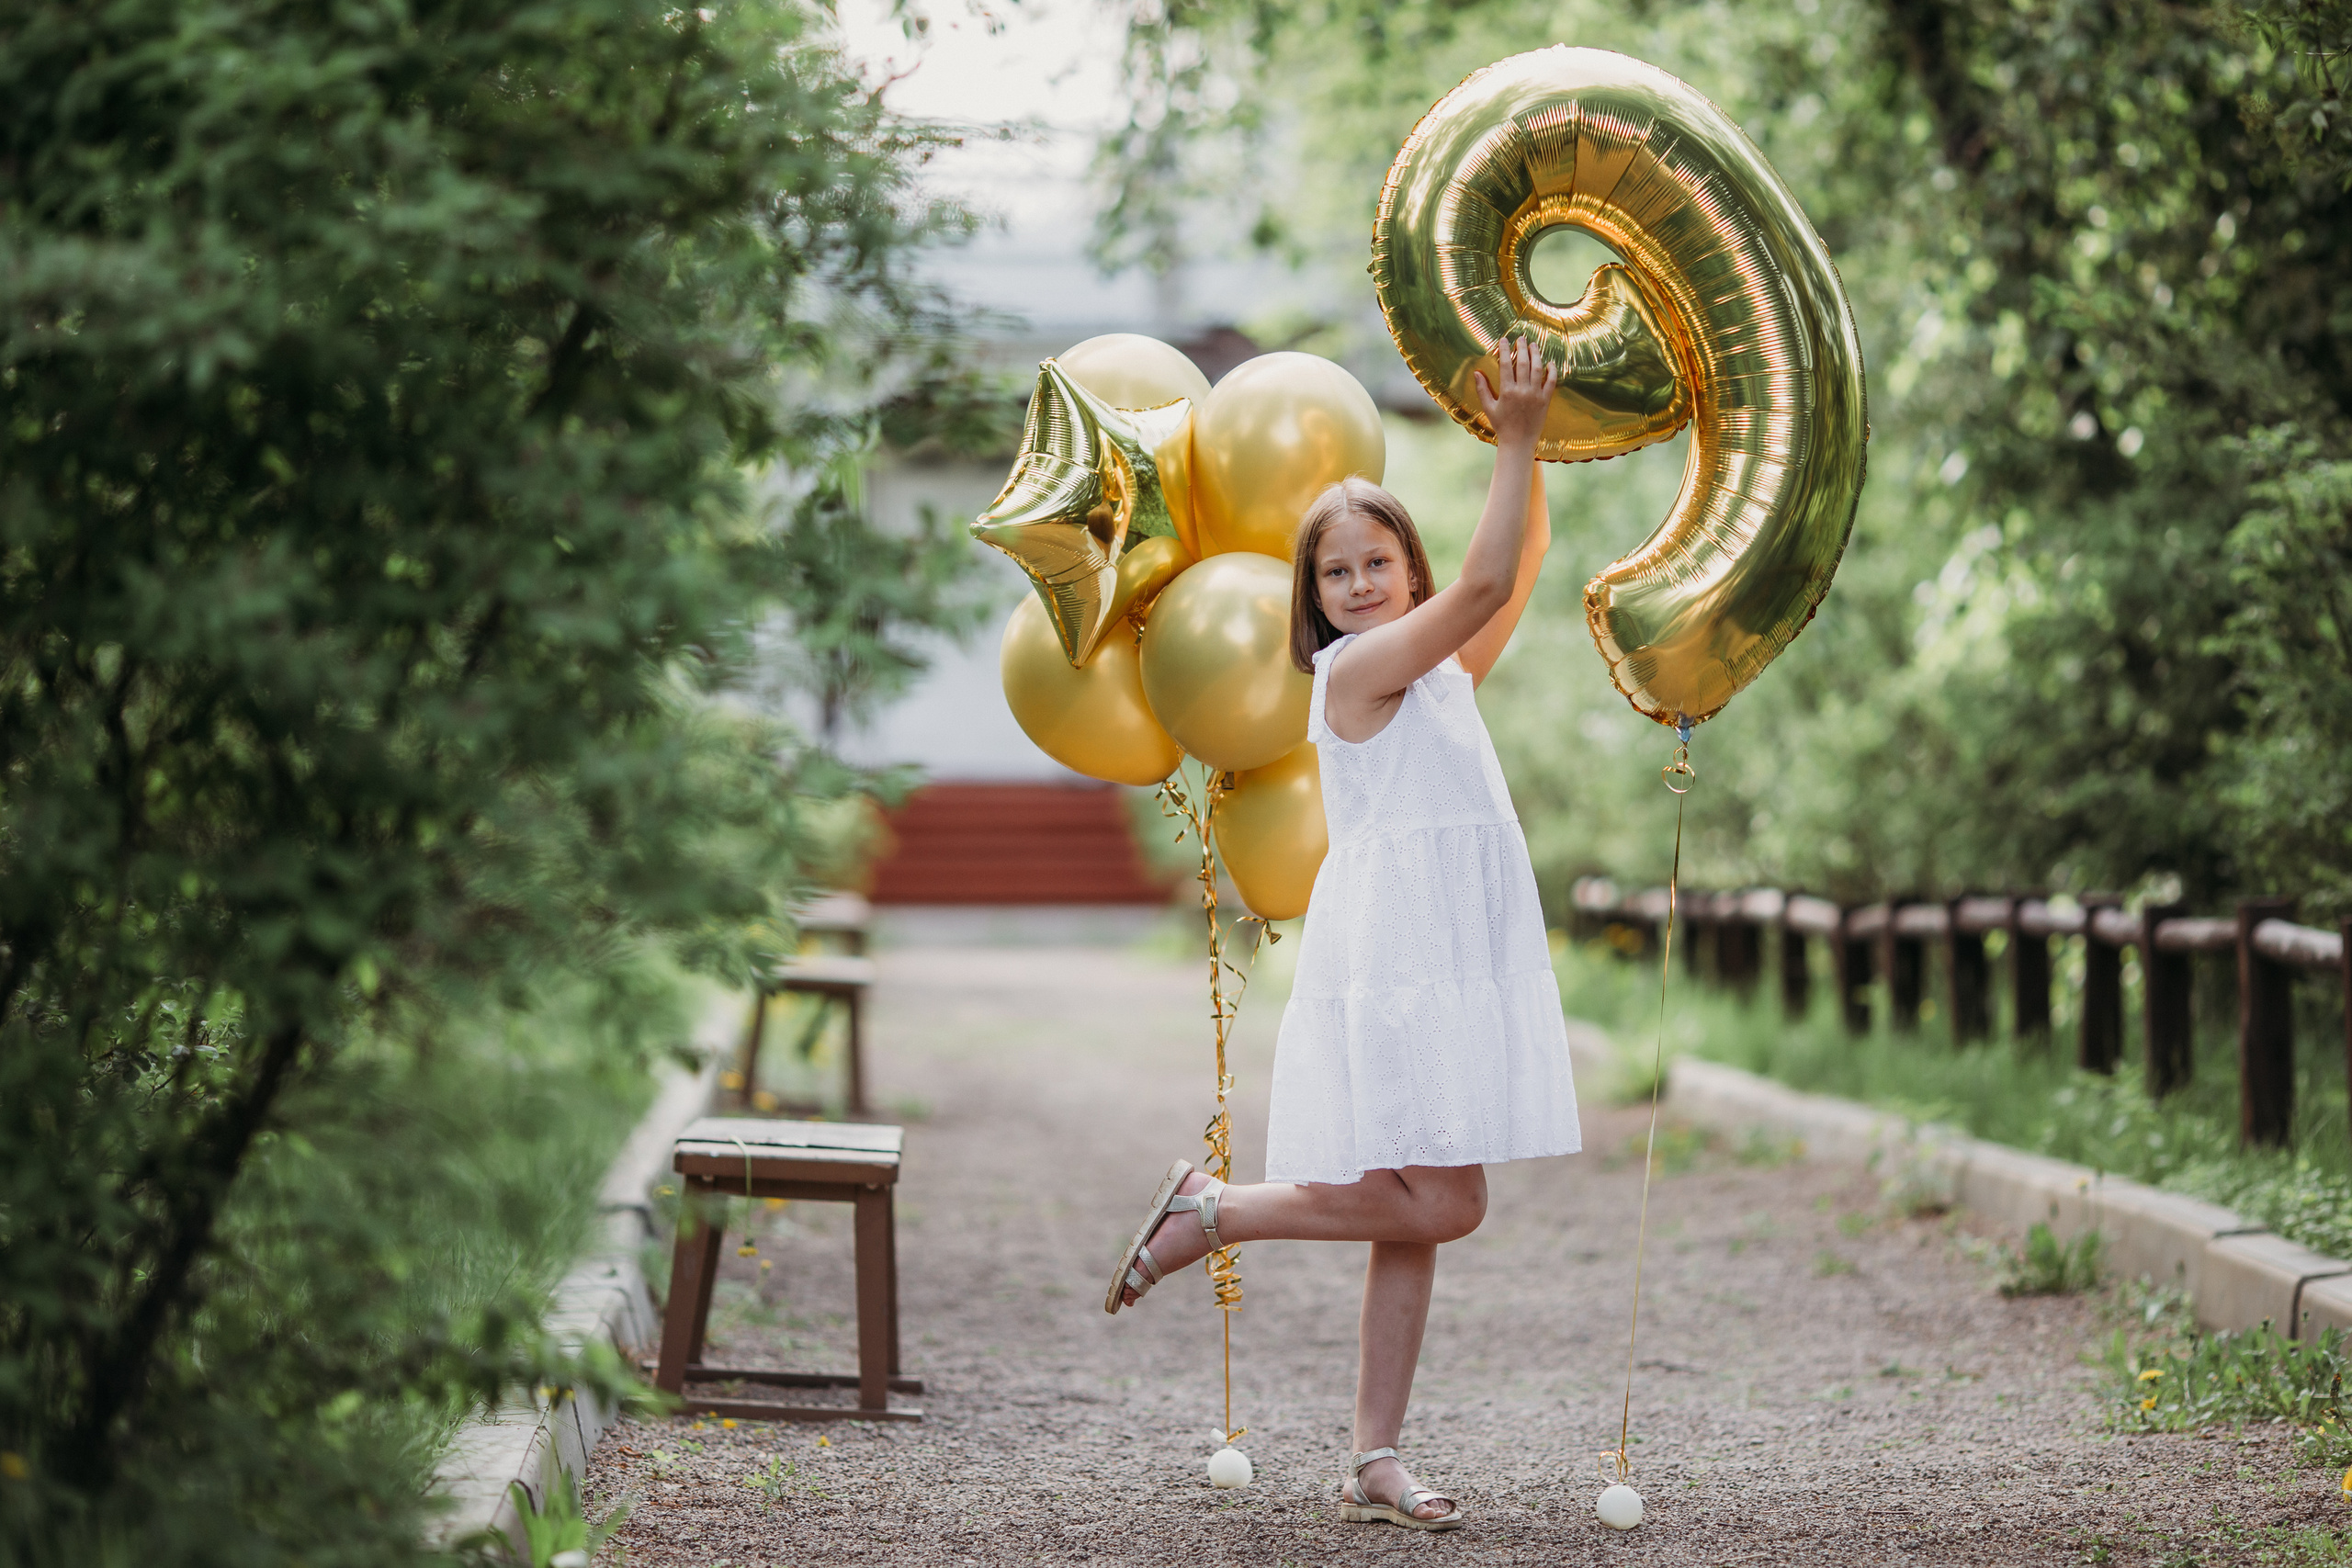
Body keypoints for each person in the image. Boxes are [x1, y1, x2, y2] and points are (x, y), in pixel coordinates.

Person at [1104, 338, 1580, 1531]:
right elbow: (1476, 591)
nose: (1362, 584)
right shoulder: (1361, 672)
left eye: (1381, 562)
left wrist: (1541, 431)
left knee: (1408, 1196)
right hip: (1404, 961)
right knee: (1446, 1202)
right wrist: (1515, 438)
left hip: (1442, 951)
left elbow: (1509, 566)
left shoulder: (1442, 674)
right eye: (1337, 573)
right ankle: (1214, 1212)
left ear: (1407, 570)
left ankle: (1378, 1453)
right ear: (1315, 602)